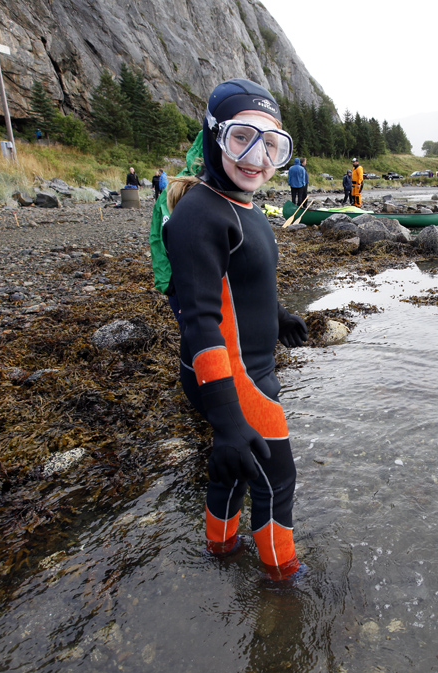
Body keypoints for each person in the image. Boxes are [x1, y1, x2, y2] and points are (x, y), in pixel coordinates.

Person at [158, 78, 307, 581]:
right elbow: (199, 320)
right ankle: (283, 586)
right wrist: (226, 421)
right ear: (214, 136)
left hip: (246, 368)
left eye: (272, 145)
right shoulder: (199, 214)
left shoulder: (243, 205)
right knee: (276, 482)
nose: (257, 157)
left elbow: (241, 282)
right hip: (232, 376)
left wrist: (279, 315)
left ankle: (219, 550)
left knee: (237, 468)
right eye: (241, 137)